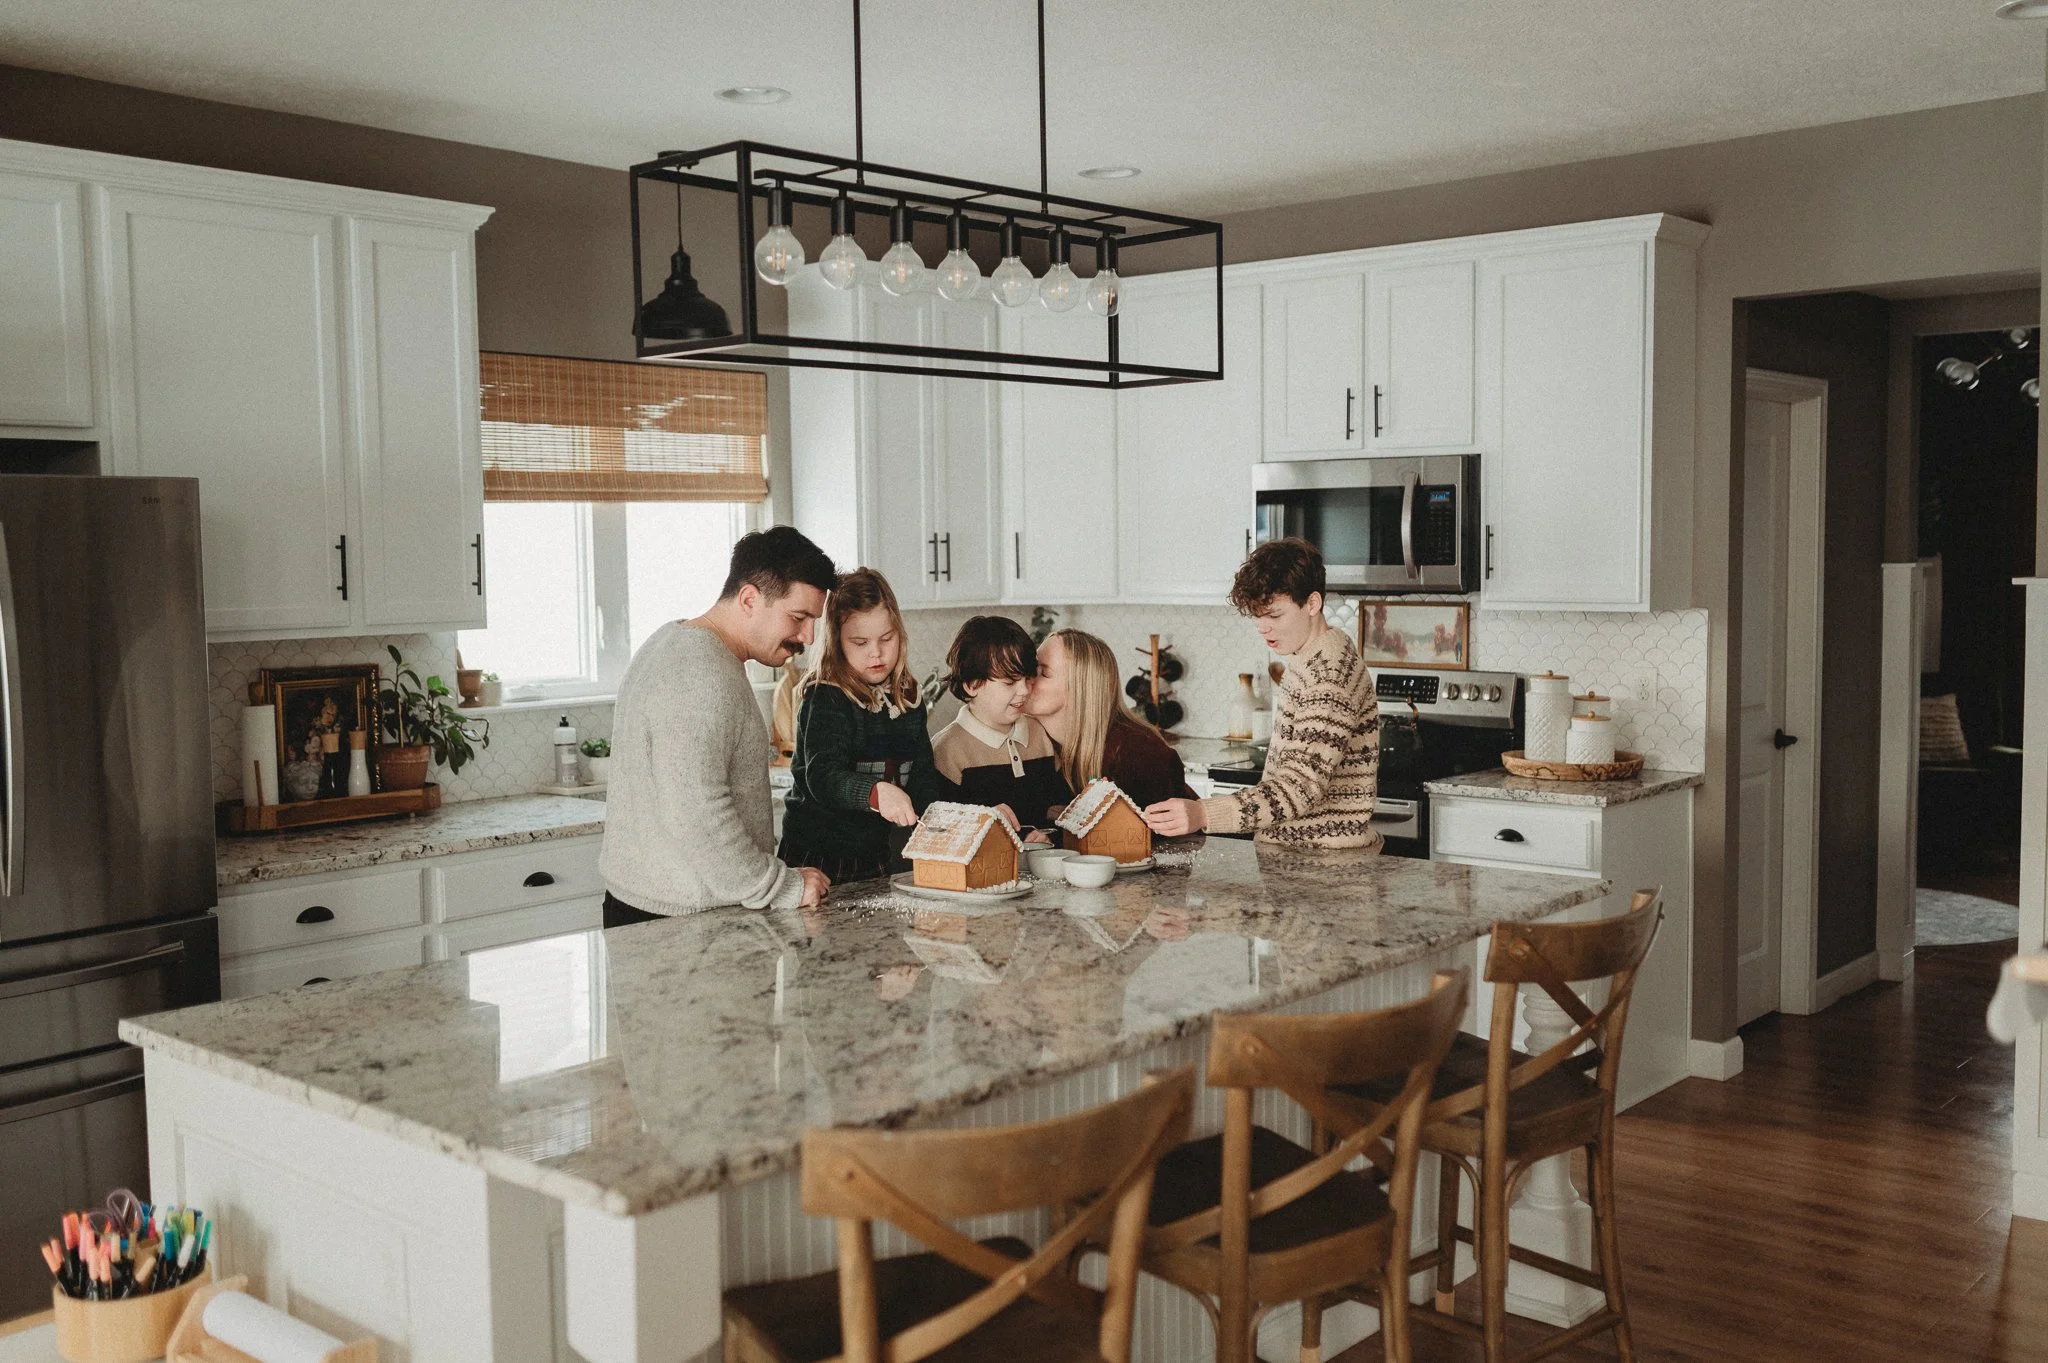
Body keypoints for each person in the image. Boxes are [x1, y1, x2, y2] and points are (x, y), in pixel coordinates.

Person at [599, 526, 839, 925]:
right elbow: (698, 814)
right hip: (682, 925)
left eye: (814, 620)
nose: (808, 636)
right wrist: (780, 886)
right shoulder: (702, 675)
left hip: (653, 908)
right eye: (799, 617)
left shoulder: (673, 641)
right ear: (749, 599)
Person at [1142, 537, 1382, 852]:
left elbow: (1298, 788)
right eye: (1256, 615)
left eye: (1274, 615)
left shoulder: (1328, 676)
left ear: (1312, 604)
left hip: (1321, 865)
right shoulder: (1309, 657)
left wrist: (1203, 814)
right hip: (1304, 859)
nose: (1262, 627)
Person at [777, 568, 946, 883]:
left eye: (886, 638)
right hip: (816, 856)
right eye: (860, 642)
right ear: (838, 644)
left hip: (874, 854)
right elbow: (822, 776)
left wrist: (941, 823)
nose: (876, 653)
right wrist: (876, 792)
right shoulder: (827, 696)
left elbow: (923, 778)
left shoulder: (908, 698)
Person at [930, 615, 1071, 838]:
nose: (1024, 690)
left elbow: (1060, 810)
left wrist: (1048, 835)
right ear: (972, 685)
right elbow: (937, 831)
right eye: (1009, 682)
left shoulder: (1041, 735)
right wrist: (981, 823)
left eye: (1027, 678)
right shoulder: (947, 750)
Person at [1025, 628, 1196, 808]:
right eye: (1030, 667)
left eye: (1043, 673)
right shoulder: (1029, 742)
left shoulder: (1138, 752)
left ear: (1080, 689)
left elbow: (1159, 831)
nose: (1026, 679)